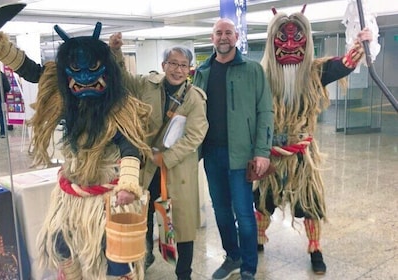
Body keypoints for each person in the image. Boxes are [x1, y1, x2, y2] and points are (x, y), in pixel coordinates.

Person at [0, 22, 152, 280]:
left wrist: (128, 184)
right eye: (75, 72)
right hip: (71, 191)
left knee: (115, 254)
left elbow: (130, 147)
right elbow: (33, 71)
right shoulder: (64, 98)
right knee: (61, 242)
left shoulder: (119, 108)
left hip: (106, 195)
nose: (84, 79)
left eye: (92, 70)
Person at [252, 6, 373, 275]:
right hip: (270, 153)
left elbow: (347, 63)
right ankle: (258, 240)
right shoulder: (260, 76)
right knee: (263, 200)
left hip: (302, 155)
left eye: (298, 40)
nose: (291, 46)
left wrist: (362, 42)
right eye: (283, 40)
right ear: (272, 43)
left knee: (310, 203)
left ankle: (315, 248)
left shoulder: (316, 71)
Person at [109, 33, 209, 280]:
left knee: (182, 225)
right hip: (146, 167)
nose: (177, 69)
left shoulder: (195, 98)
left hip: (176, 170)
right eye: (173, 63)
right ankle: (145, 256)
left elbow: (196, 135)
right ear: (164, 65)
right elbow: (123, 78)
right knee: (144, 213)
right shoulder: (147, 84)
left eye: (183, 65)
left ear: (189, 69)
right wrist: (116, 52)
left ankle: (183, 273)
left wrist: (166, 158)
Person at [193, 18, 274, 280]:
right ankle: (233, 256)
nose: (223, 37)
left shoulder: (252, 70)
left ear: (236, 37)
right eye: (219, 33)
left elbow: (265, 112)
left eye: (228, 32)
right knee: (221, 211)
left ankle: (249, 266)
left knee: (244, 213)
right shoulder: (202, 72)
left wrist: (262, 151)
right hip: (212, 154)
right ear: (212, 38)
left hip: (241, 155)